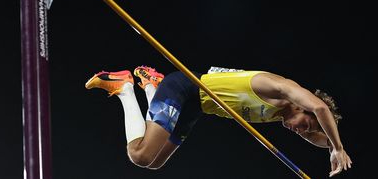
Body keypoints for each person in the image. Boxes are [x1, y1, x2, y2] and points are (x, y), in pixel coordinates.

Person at [85, 66, 352, 177]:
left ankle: (152, 85)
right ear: (304, 107)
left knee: (154, 164)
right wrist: (337, 147)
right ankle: (125, 88)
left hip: (195, 109)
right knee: (140, 155)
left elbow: (319, 132)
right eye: (305, 125)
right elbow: (319, 108)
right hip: (184, 88)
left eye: (302, 134)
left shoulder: (281, 114)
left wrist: (332, 148)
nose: (298, 131)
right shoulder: (282, 88)